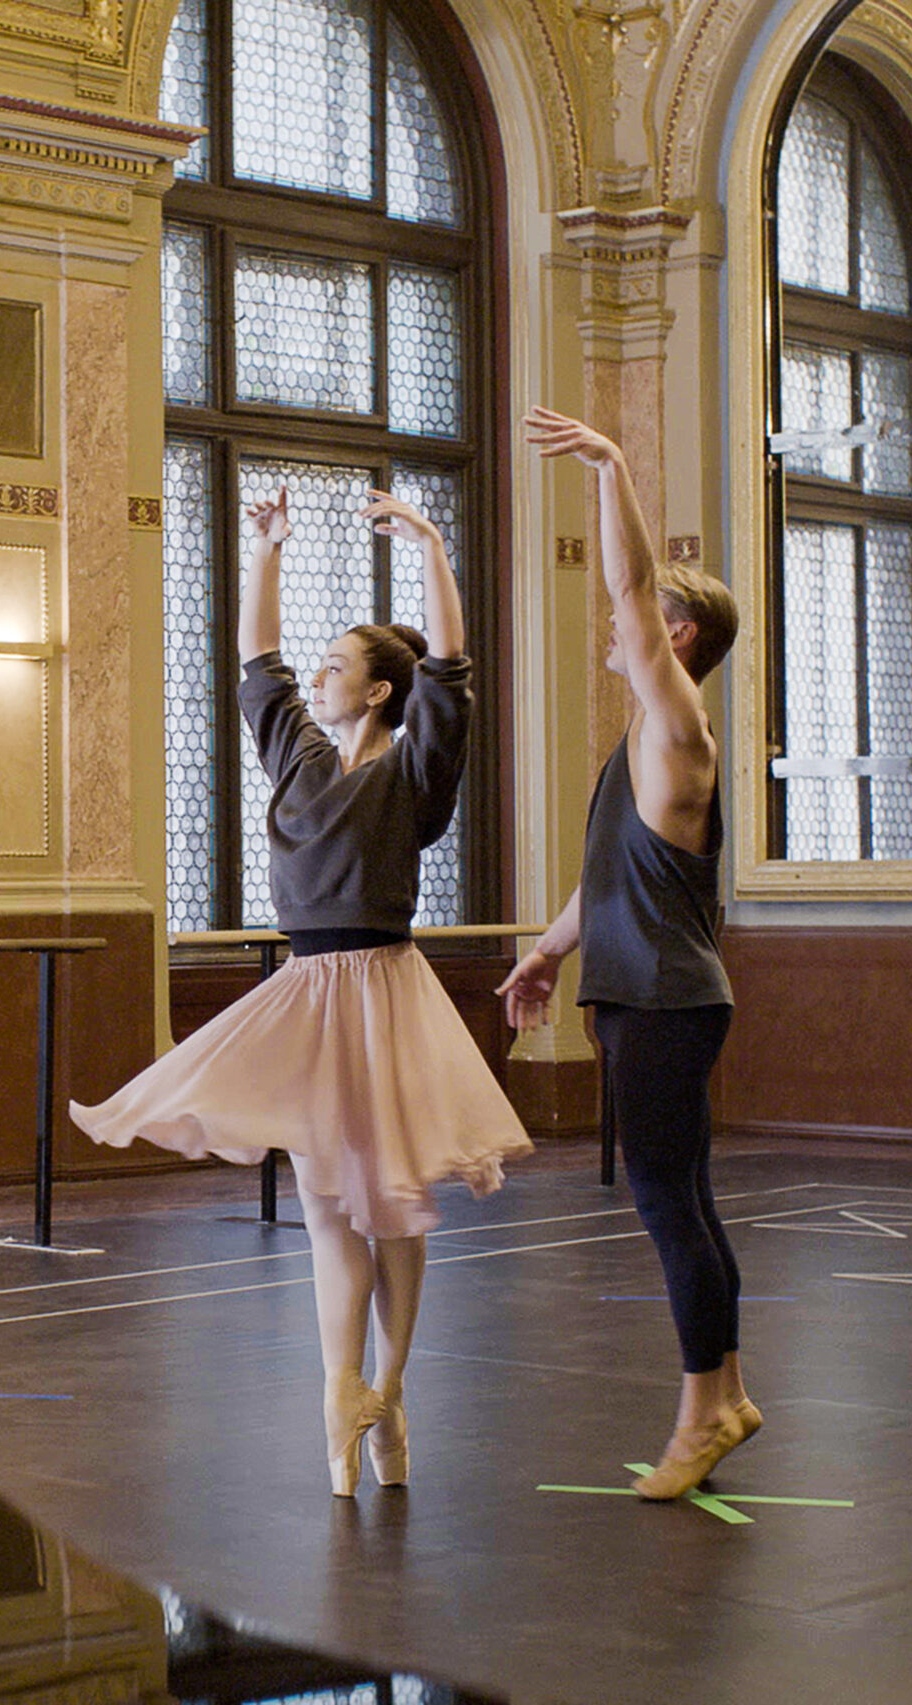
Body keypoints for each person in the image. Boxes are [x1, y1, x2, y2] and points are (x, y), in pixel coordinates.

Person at [72, 484, 533, 1497]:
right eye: (319, 665)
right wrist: (268, 549)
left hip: (383, 986)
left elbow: (451, 670)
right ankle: (341, 1388)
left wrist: (432, 545)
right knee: (331, 1201)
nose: (316, 676)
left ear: (375, 692)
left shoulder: (414, 770)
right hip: (311, 986)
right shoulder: (295, 753)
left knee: (392, 1204)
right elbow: (257, 660)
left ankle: (393, 1388)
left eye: (337, 667)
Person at [498, 405, 757, 1502]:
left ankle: (699, 1416)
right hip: (640, 994)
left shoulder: (678, 726)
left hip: (662, 1003)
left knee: (663, 1202)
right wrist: (548, 952)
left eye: (650, 618)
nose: (619, 627)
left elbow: (630, 590)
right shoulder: (639, 749)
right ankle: (728, 1396)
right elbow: (607, 878)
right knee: (683, 1197)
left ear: (678, 636)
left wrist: (612, 464)